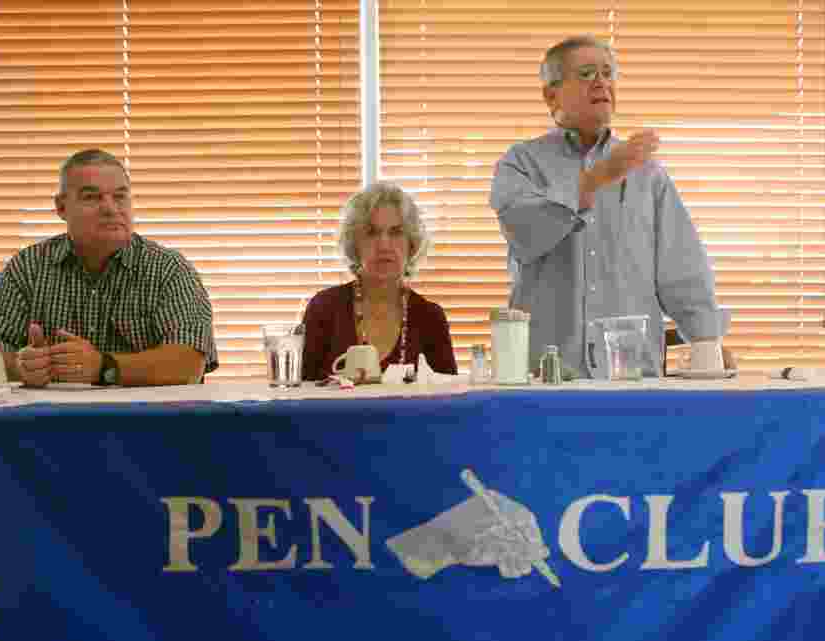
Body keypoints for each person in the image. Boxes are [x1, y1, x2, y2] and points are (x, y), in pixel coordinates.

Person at [0, 148, 218, 545]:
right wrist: (20, 365)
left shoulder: (168, 270)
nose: (110, 208)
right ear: (60, 208)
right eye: (91, 197)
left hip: (155, 450)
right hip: (52, 449)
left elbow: (189, 361)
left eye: (120, 196)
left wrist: (104, 367)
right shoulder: (27, 269)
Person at [489, 35, 725, 378]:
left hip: (633, 378)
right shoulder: (521, 163)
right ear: (551, 95)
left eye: (607, 73)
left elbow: (682, 268)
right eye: (586, 73)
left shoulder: (647, 172)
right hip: (548, 378)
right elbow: (524, 231)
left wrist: (708, 345)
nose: (601, 82)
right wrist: (597, 178)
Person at [301, 182, 457, 382]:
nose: (384, 245)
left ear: (412, 244)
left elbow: (449, 396)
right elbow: (299, 394)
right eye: (372, 233)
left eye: (396, 232)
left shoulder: (430, 318)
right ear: (354, 244)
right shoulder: (324, 309)